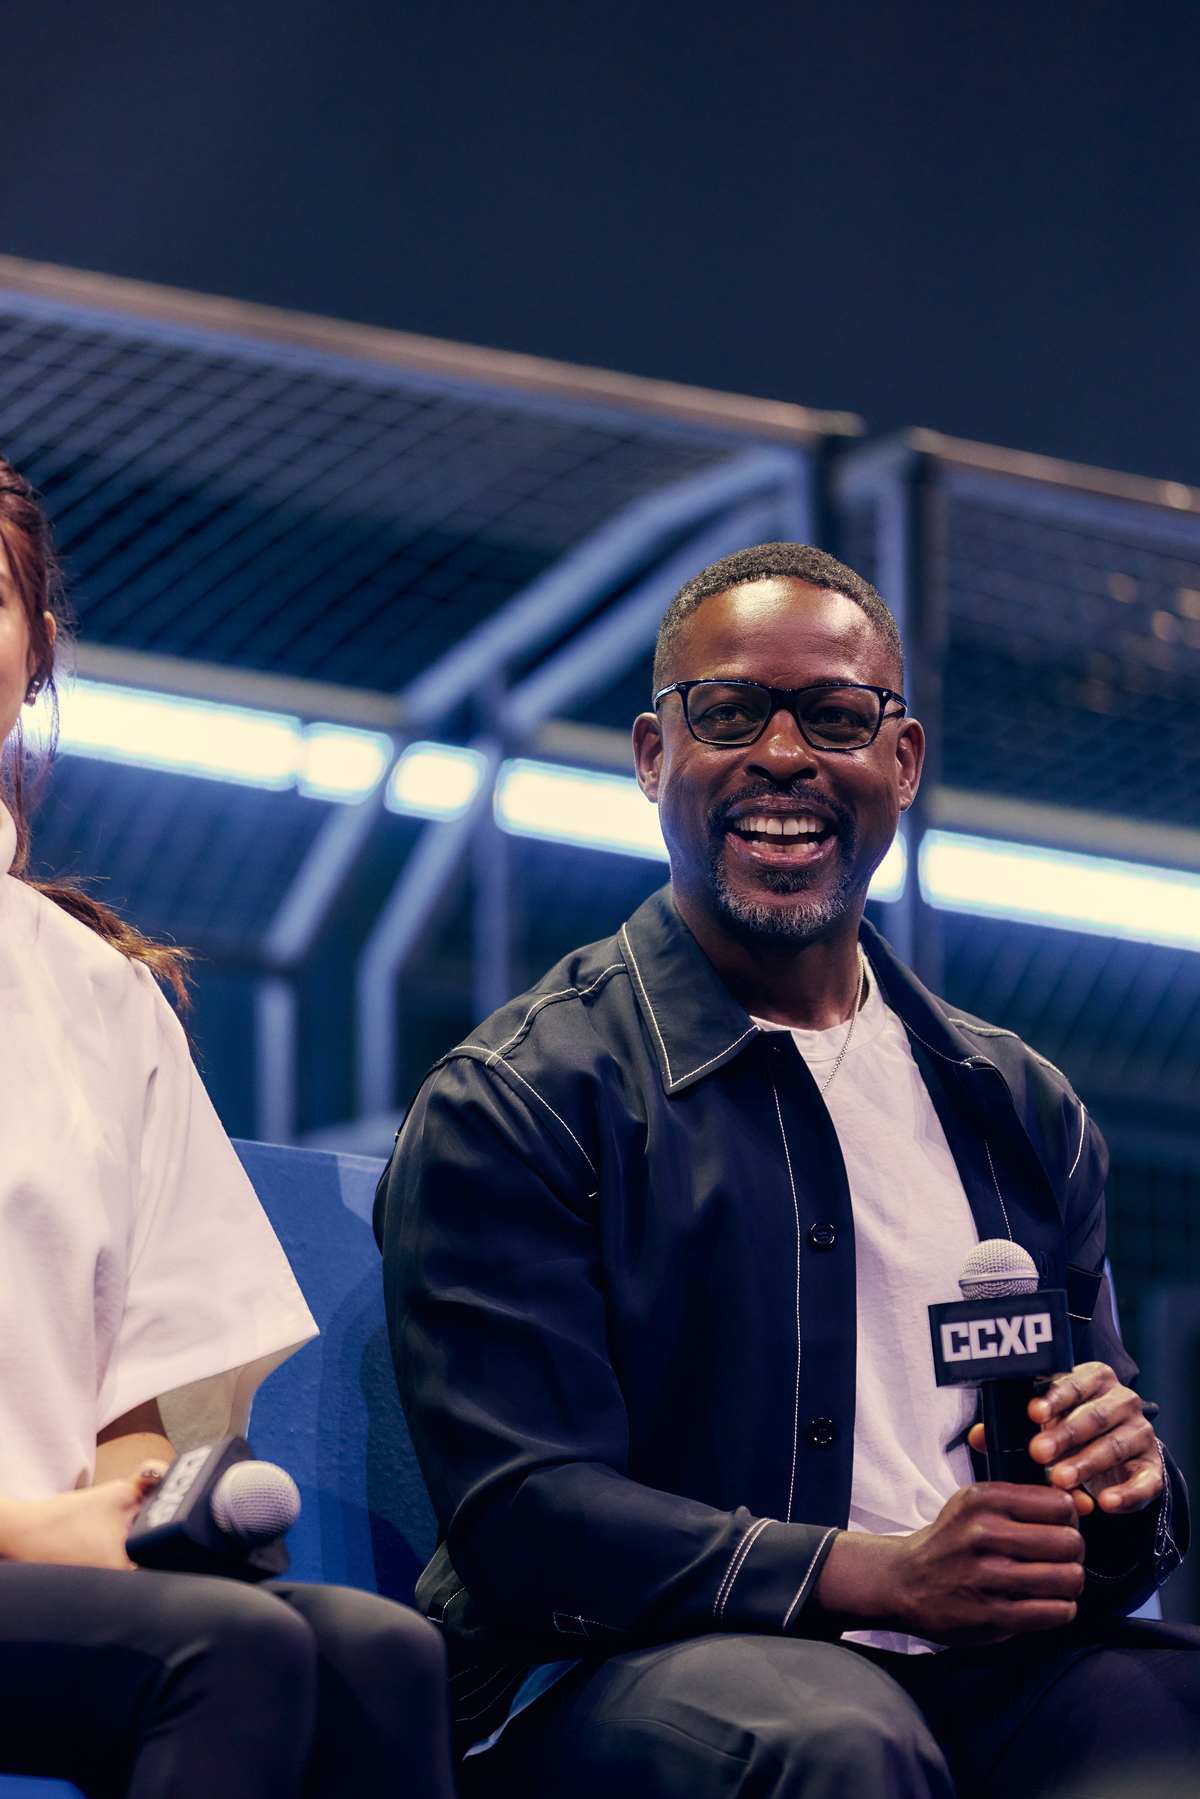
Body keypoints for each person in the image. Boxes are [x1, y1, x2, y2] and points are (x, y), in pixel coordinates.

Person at [377, 540, 1200, 1798]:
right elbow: (525, 1518)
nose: (781, 752)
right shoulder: (523, 1095)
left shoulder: (1018, 1105)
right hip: (623, 1675)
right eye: (727, 711)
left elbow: (1105, 1526)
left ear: (902, 762)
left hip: (982, 1671)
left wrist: (1128, 1493)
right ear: (653, 755)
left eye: (835, 715)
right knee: (837, 1742)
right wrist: (877, 1575)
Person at [0, 456, 456, 1799]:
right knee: (231, 1651)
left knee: (382, 1655)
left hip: (44, 1573)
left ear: (35, 654)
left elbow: (148, 1400)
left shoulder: (98, 994)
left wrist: (133, 1510)